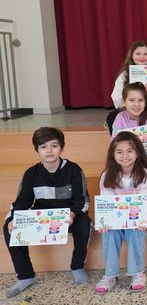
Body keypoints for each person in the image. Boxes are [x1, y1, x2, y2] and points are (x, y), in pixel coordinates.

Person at [3, 127, 91, 298]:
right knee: (9, 227)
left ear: (61, 147)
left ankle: (77, 266)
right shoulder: (31, 174)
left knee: (84, 225)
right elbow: (21, 202)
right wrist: (14, 219)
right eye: (43, 147)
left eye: (54, 146)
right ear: (37, 149)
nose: (49, 151)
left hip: (68, 216)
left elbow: (82, 201)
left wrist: (72, 214)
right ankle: (25, 276)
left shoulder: (74, 170)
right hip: (42, 216)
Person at [95, 131, 147, 293]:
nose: (124, 156)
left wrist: (141, 219)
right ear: (112, 154)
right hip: (116, 216)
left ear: (137, 154)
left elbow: (146, 202)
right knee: (109, 232)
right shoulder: (108, 175)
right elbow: (107, 201)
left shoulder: (144, 174)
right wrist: (106, 221)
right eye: (119, 152)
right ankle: (110, 275)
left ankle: (137, 272)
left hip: (141, 214)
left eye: (129, 151)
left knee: (136, 230)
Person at [112, 82, 147, 175]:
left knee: (133, 160)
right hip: (126, 158)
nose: (136, 104)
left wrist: (131, 149)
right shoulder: (120, 117)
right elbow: (114, 144)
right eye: (131, 100)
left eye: (140, 100)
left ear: (145, 101)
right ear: (124, 102)